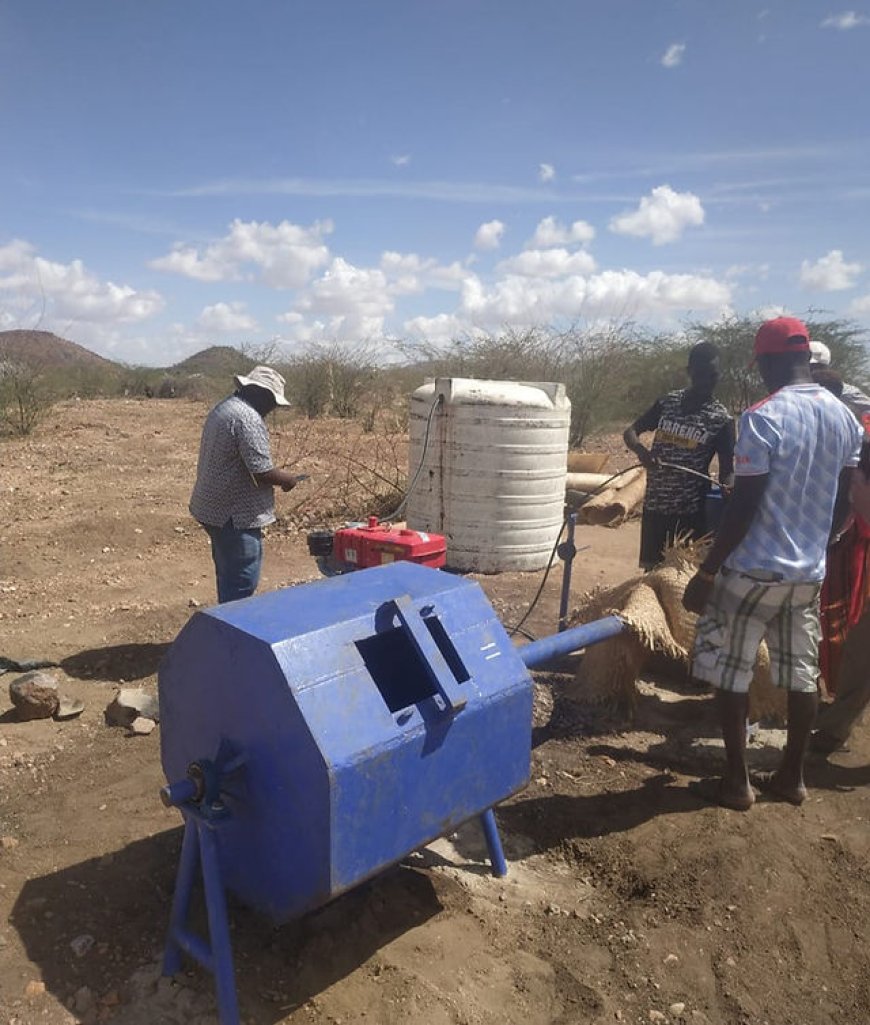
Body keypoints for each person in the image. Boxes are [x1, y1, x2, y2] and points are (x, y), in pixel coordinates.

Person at [682, 316, 863, 810]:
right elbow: (848, 496)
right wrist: (824, 541)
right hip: (808, 574)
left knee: (730, 671)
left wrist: (707, 571)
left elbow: (743, 506)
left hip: (753, 572)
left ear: (771, 360)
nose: (760, 373)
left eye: (761, 364)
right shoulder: (844, 416)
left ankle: (737, 783)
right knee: (800, 674)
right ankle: (791, 777)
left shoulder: (763, 417)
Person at [190, 365, 303, 603]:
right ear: (261, 394)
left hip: (213, 506)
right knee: (242, 580)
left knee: (228, 572)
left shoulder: (225, 408)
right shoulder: (247, 418)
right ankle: (232, 634)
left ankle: (225, 625)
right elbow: (262, 471)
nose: (272, 409)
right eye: (273, 401)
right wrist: (288, 480)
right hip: (233, 514)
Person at [624, 342, 735, 570]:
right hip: (655, 506)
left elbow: (727, 470)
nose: (707, 381)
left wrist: (730, 491)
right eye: (701, 374)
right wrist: (642, 452)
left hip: (689, 515)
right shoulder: (668, 403)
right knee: (652, 574)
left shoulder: (721, 419)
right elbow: (631, 432)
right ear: (690, 372)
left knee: (679, 577)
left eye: (713, 375)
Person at [811, 437, 870, 754]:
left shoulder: (857, 469)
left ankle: (835, 728)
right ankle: (836, 725)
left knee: (861, 649)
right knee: (860, 649)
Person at [809, 340, 870, 422]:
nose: (815, 371)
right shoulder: (794, 392)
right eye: (812, 367)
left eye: (819, 366)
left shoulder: (847, 393)